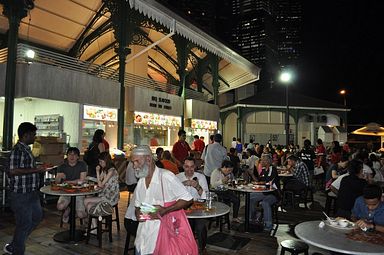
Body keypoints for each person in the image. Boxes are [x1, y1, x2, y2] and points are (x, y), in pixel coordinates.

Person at [132, 145, 193, 255]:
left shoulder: (166, 176)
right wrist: (139, 213)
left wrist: (165, 210)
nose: (134, 166)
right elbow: (138, 206)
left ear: (148, 159)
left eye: (136, 161)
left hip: (162, 239)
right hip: (142, 238)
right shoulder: (141, 181)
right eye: (133, 162)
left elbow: (187, 198)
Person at [4, 122, 50, 255]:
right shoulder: (17, 150)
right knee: (24, 223)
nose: (35, 137)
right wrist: (36, 169)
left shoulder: (26, 149)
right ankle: (17, 250)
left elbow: (26, 167)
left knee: (37, 217)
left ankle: (14, 245)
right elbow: (12, 171)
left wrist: (40, 168)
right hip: (20, 193)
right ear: (25, 135)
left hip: (31, 191)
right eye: (33, 135)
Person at [176, 157, 209, 253]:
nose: (189, 170)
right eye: (186, 167)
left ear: (195, 167)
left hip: (197, 206)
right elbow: (172, 195)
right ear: (183, 167)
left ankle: (202, 248)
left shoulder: (201, 177)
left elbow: (205, 196)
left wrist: (198, 186)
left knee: (200, 226)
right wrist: (183, 184)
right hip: (182, 207)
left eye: (191, 167)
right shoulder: (177, 177)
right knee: (183, 226)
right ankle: (185, 248)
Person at [84, 152, 120, 228]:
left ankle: (94, 226)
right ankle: (94, 226)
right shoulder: (105, 170)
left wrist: (97, 171)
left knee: (86, 201)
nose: (100, 164)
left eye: (101, 161)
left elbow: (100, 184)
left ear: (106, 161)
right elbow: (99, 180)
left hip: (111, 198)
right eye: (99, 161)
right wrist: (90, 178)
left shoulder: (111, 171)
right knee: (88, 203)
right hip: (105, 195)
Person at [248, 154, 281, 231]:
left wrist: (258, 183)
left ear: (268, 161)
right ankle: (251, 218)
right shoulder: (263, 170)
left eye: (263, 160)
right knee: (249, 197)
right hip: (264, 192)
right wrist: (252, 174)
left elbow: (268, 181)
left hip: (274, 193)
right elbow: (258, 181)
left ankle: (268, 225)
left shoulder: (272, 169)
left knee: (265, 203)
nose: (261, 161)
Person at [55, 147, 88, 223]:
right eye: (70, 154)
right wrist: (58, 177)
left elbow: (81, 181)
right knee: (60, 206)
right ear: (67, 156)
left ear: (78, 157)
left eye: (74, 155)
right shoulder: (61, 166)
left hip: (79, 191)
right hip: (65, 191)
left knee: (81, 214)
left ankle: (86, 216)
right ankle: (68, 209)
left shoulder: (82, 164)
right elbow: (57, 183)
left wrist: (67, 182)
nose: (72, 156)